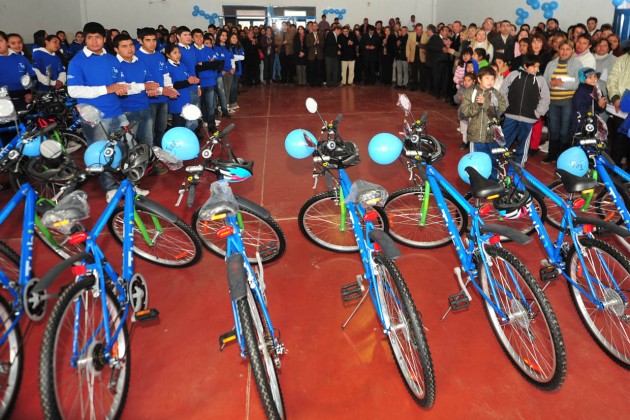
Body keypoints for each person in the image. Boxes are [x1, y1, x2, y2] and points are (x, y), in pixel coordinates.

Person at [66, 22, 145, 201]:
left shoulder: (111, 59)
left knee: (128, 146)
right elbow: (74, 90)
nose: (94, 41)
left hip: (116, 111)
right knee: (102, 153)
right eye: (90, 37)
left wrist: (126, 89)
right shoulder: (77, 61)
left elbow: (120, 84)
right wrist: (107, 89)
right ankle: (110, 188)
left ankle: (130, 184)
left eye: (98, 37)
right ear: (85, 39)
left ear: (104, 39)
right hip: (94, 115)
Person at [499, 54, 550, 165]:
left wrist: (538, 113)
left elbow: (546, 98)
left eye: (538, 66)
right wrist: (506, 106)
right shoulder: (513, 75)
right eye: (534, 66)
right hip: (511, 115)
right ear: (526, 66)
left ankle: (520, 162)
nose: (537, 69)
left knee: (523, 141)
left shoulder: (540, 80)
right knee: (504, 139)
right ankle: (497, 158)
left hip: (528, 118)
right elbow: (502, 91)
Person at [460, 66, 507, 178]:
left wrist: (486, 104)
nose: (490, 81)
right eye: (487, 78)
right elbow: (465, 111)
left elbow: (500, 110)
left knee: (493, 161)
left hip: (492, 135)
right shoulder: (471, 92)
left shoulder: (495, 94)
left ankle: (493, 184)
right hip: (475, 136)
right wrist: (478, 104)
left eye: (492, 78)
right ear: (479, 79)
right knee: (475, 162)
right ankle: (477, 184)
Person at [113, 33, 159, 147]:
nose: (129, 49)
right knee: (130, 143)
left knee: (148, 140)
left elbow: (148, 78)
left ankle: (148, 163)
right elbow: (123, 87)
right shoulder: (114, 64)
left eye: (131, 45)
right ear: (116, 49)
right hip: (127, 109)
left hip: (144, 105)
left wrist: (151, 87)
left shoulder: (139, 61)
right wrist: (145, 86)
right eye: (124, 46)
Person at [136, 27, 178, 150]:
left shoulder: (159, 56)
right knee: (148, 132)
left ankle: (160, 152)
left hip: (162, 99)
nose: (152, 43)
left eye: (154, 40)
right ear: (140, 41)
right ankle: (149, 158)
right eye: (148, 40)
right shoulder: (136, 57)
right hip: (147, 101)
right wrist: (161, 90)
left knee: (161, 128)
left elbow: (165, 75)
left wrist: (170, 89)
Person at [542, 40, 581, 163]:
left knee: (565, 130)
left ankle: (562, 156)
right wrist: (551, 83)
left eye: (568, 49)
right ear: (558, 50)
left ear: (572, 51)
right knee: (553, 129)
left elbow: (578, 83)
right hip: (553, 102)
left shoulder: (577, 64)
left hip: (568, 102)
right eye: (562, 49)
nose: (564, 52)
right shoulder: (551, 64)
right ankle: (552, 154)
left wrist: (561, 83)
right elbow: (544, 81)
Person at [607, 47, 630, 165]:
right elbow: (612, 80)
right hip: (622, 107)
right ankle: (612, 173)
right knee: (618, 142)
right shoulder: (621, 60)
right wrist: (615, 98)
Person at [571, 67, 606, 135]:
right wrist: (598, 105)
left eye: (595, 76)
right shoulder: (581, 92)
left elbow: (600, 109)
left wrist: (602, 106)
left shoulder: (597, 90)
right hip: (581, 123)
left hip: (593, 121)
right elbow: (581, 109)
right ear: (583, 79)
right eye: (590, 77)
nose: (593, 79)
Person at [454, 71, 476, 149]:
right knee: (463, 128)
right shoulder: (461, 88)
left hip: (471, 113)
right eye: (465, 80)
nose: (466, 82)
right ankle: (464, 141)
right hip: (462, 112)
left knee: (471, 128)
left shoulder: (475, 90)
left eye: (469, 80)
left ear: (473, 81)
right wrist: (459, 98)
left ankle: (471, 142)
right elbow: (456, 98)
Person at [228, 33, 244, 109]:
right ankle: (230, 102)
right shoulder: (227, 47)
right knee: (230, 86)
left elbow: (242, 57)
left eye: (236, 38)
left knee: (235, 86)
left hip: (238, 69)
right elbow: (227, 57)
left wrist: (233, 57)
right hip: (229, 69)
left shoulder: (239, 47)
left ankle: (234, 102)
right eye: (233, 38)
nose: (235, 39)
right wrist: (235, 57)